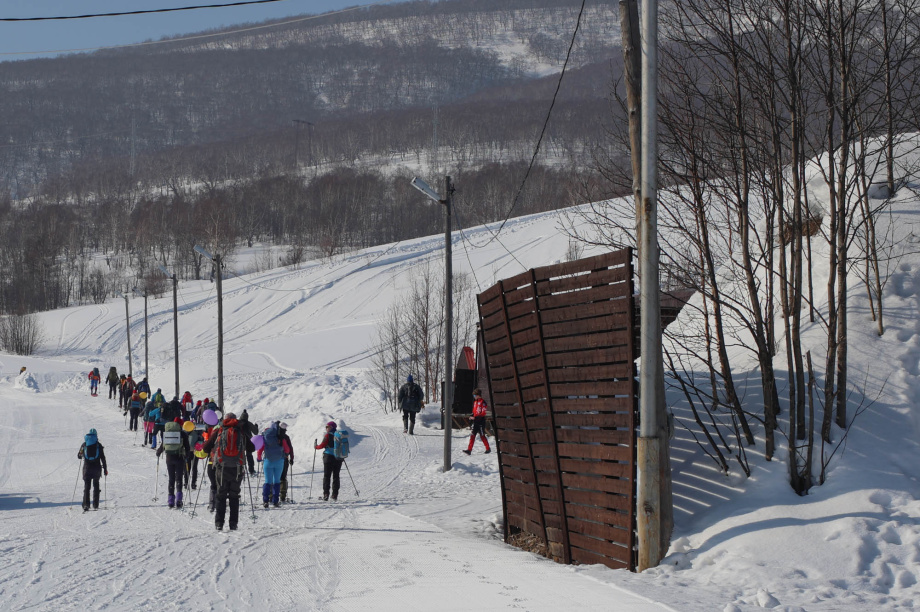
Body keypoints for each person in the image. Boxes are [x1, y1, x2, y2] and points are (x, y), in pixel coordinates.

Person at [202, 412, 255, 531]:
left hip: (222, 468)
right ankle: (233, 523)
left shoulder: (220, 430)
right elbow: (251, 448)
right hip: (237, 468)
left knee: (221, 495)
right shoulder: (240, 431)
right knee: (234, 496)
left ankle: (219, 523)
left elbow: (206, 448)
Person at [156, 418, 190, 508]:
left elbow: (162, 446)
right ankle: (179, 500)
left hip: (169, 458)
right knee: (179, 478)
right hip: (179, 458)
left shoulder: (168, 433)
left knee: (171, 479)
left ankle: (170, 501)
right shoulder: (183, 434)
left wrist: (158, 453)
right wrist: (187, 455)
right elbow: (187, 447)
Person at [257, 422, 289, 508]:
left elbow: (260, 450)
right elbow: (287, 449)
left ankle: (265, 501)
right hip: (279, 462)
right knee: (277, 481)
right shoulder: (280, 437)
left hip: (268, 461)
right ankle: (275, 501)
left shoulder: (265, 437)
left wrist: (259, 458)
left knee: (268, 481)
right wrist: (284, 455)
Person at [77, 428, 108, 511]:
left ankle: (86, 504)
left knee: (87, 486)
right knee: (96, 485)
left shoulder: (84, 445)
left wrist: (82, 455)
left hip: (87, 468)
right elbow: (103, 458)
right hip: (97, 468)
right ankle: (95, 504)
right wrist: (105, 469)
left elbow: (79, 456)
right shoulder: (99, 445)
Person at [314, 421, 343, 501]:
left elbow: (322, 445)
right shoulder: (340, 436)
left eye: (328, 427)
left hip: (328, 457)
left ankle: (326, 494)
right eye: (326, 427)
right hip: (338, 458)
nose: (326, 428)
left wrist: (316, 446)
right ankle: (335, 495)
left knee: (327, 476)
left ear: (332, 427)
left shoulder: (327, 435)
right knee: (336, 476)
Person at [463, 388, 491, 455]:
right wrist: (472, 415)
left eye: (475, 396)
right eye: (473, 396)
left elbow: (483, 413)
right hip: (475, 422)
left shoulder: (483, 402)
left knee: (482, 436)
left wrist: (475, 417)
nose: (474, 397)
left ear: (478, 395)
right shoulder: (475, 402)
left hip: (481, 421)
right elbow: (474, 411)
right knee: (472, 435)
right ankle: (469, 450)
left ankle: (488, 448)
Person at [279, 422, 295, 503]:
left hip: (274, 459)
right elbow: (290, 448)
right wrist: (292, 458)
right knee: (283, 477)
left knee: (274, 478)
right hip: (284, 459)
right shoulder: (286, 437)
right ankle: (282, 496)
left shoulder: (273, 436)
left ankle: (272, 495)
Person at [239, 410, 258, 476]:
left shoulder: (238, 423)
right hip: (248, 441)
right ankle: (251, 470)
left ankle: (240, 470)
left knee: (239, 455)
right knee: (249, 456)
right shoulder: (249, 423)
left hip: (239, 441)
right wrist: (256, 426)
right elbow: (256, 432)